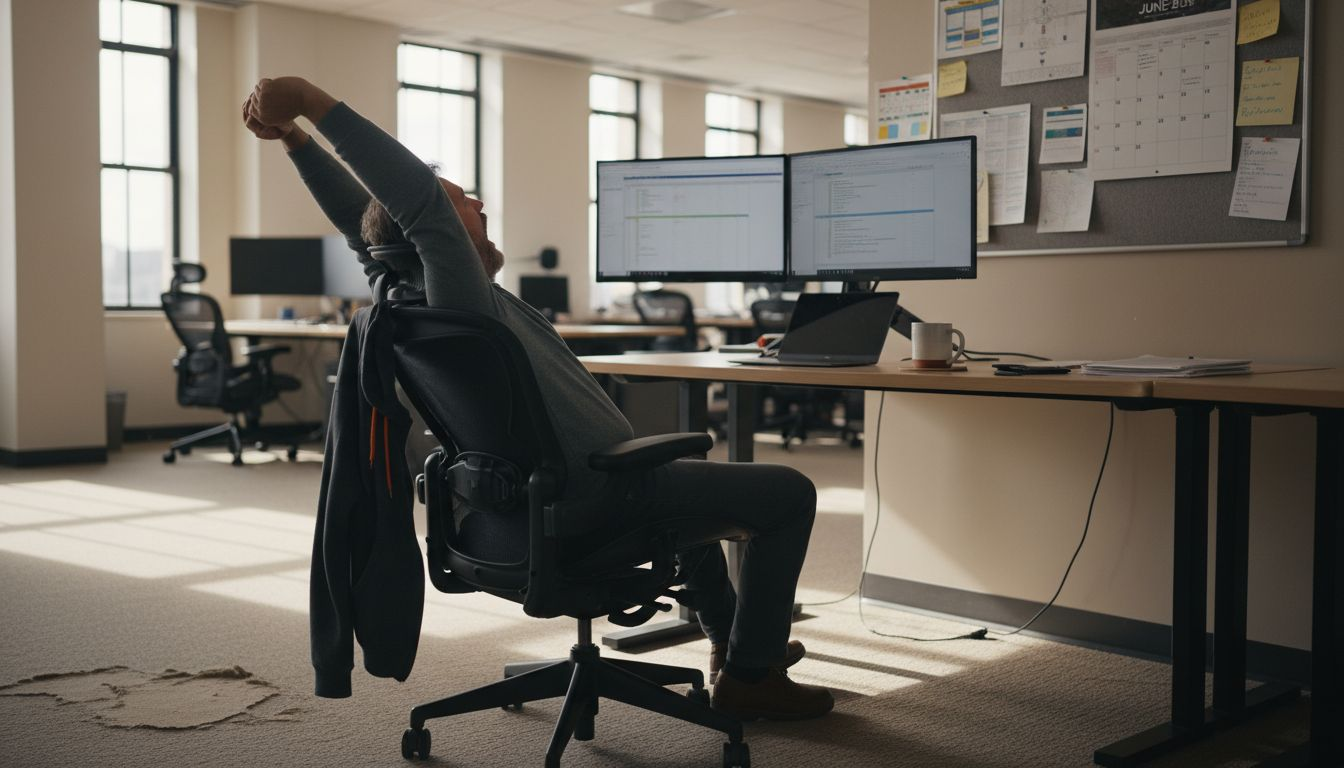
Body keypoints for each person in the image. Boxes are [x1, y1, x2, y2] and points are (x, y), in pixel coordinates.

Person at [242, 76, 833, 720]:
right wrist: (314, 103)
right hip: (593, 497)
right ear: (434, 237)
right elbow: (415, 207)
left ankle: (729, 648)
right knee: (787, 493)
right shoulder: (455, 297)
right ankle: (754, 676)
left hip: (516, 505)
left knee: (686, 499)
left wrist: (297, 143)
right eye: (464, 202)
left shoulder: (405, 298)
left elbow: (368, 223)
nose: (478, 204)